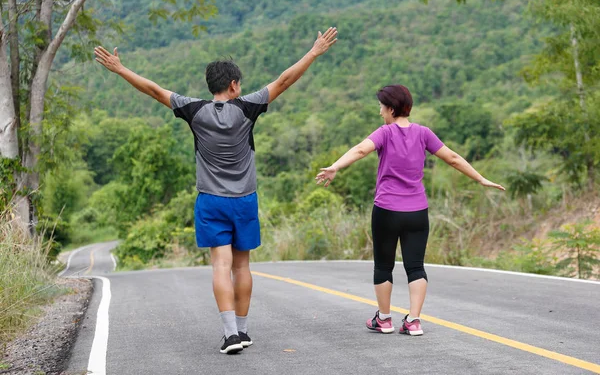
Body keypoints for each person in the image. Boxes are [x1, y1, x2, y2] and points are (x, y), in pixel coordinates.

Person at [94, 27, 338, 354]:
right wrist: (314, 51)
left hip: (210, 202)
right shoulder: (247, 108)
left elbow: (154, 90)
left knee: (220, 266)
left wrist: (120, 68)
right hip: (245, 201)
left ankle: (230, 335)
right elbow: (284, 80)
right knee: (242, 267)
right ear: (234, 85)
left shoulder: (194, 110)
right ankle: (243, 330)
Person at [315, 84, 504, 336]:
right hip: (417, 212)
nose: (380, 112)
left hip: (387, 210)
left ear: (391, 109)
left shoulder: (385, 133)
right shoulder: (423, 133)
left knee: (383, 265)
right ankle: (413, 321)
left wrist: (335, 166)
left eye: (382, 107)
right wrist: (480, 179)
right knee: (416, 266)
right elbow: (453, 158)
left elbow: (361, 149)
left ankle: (384, 319)